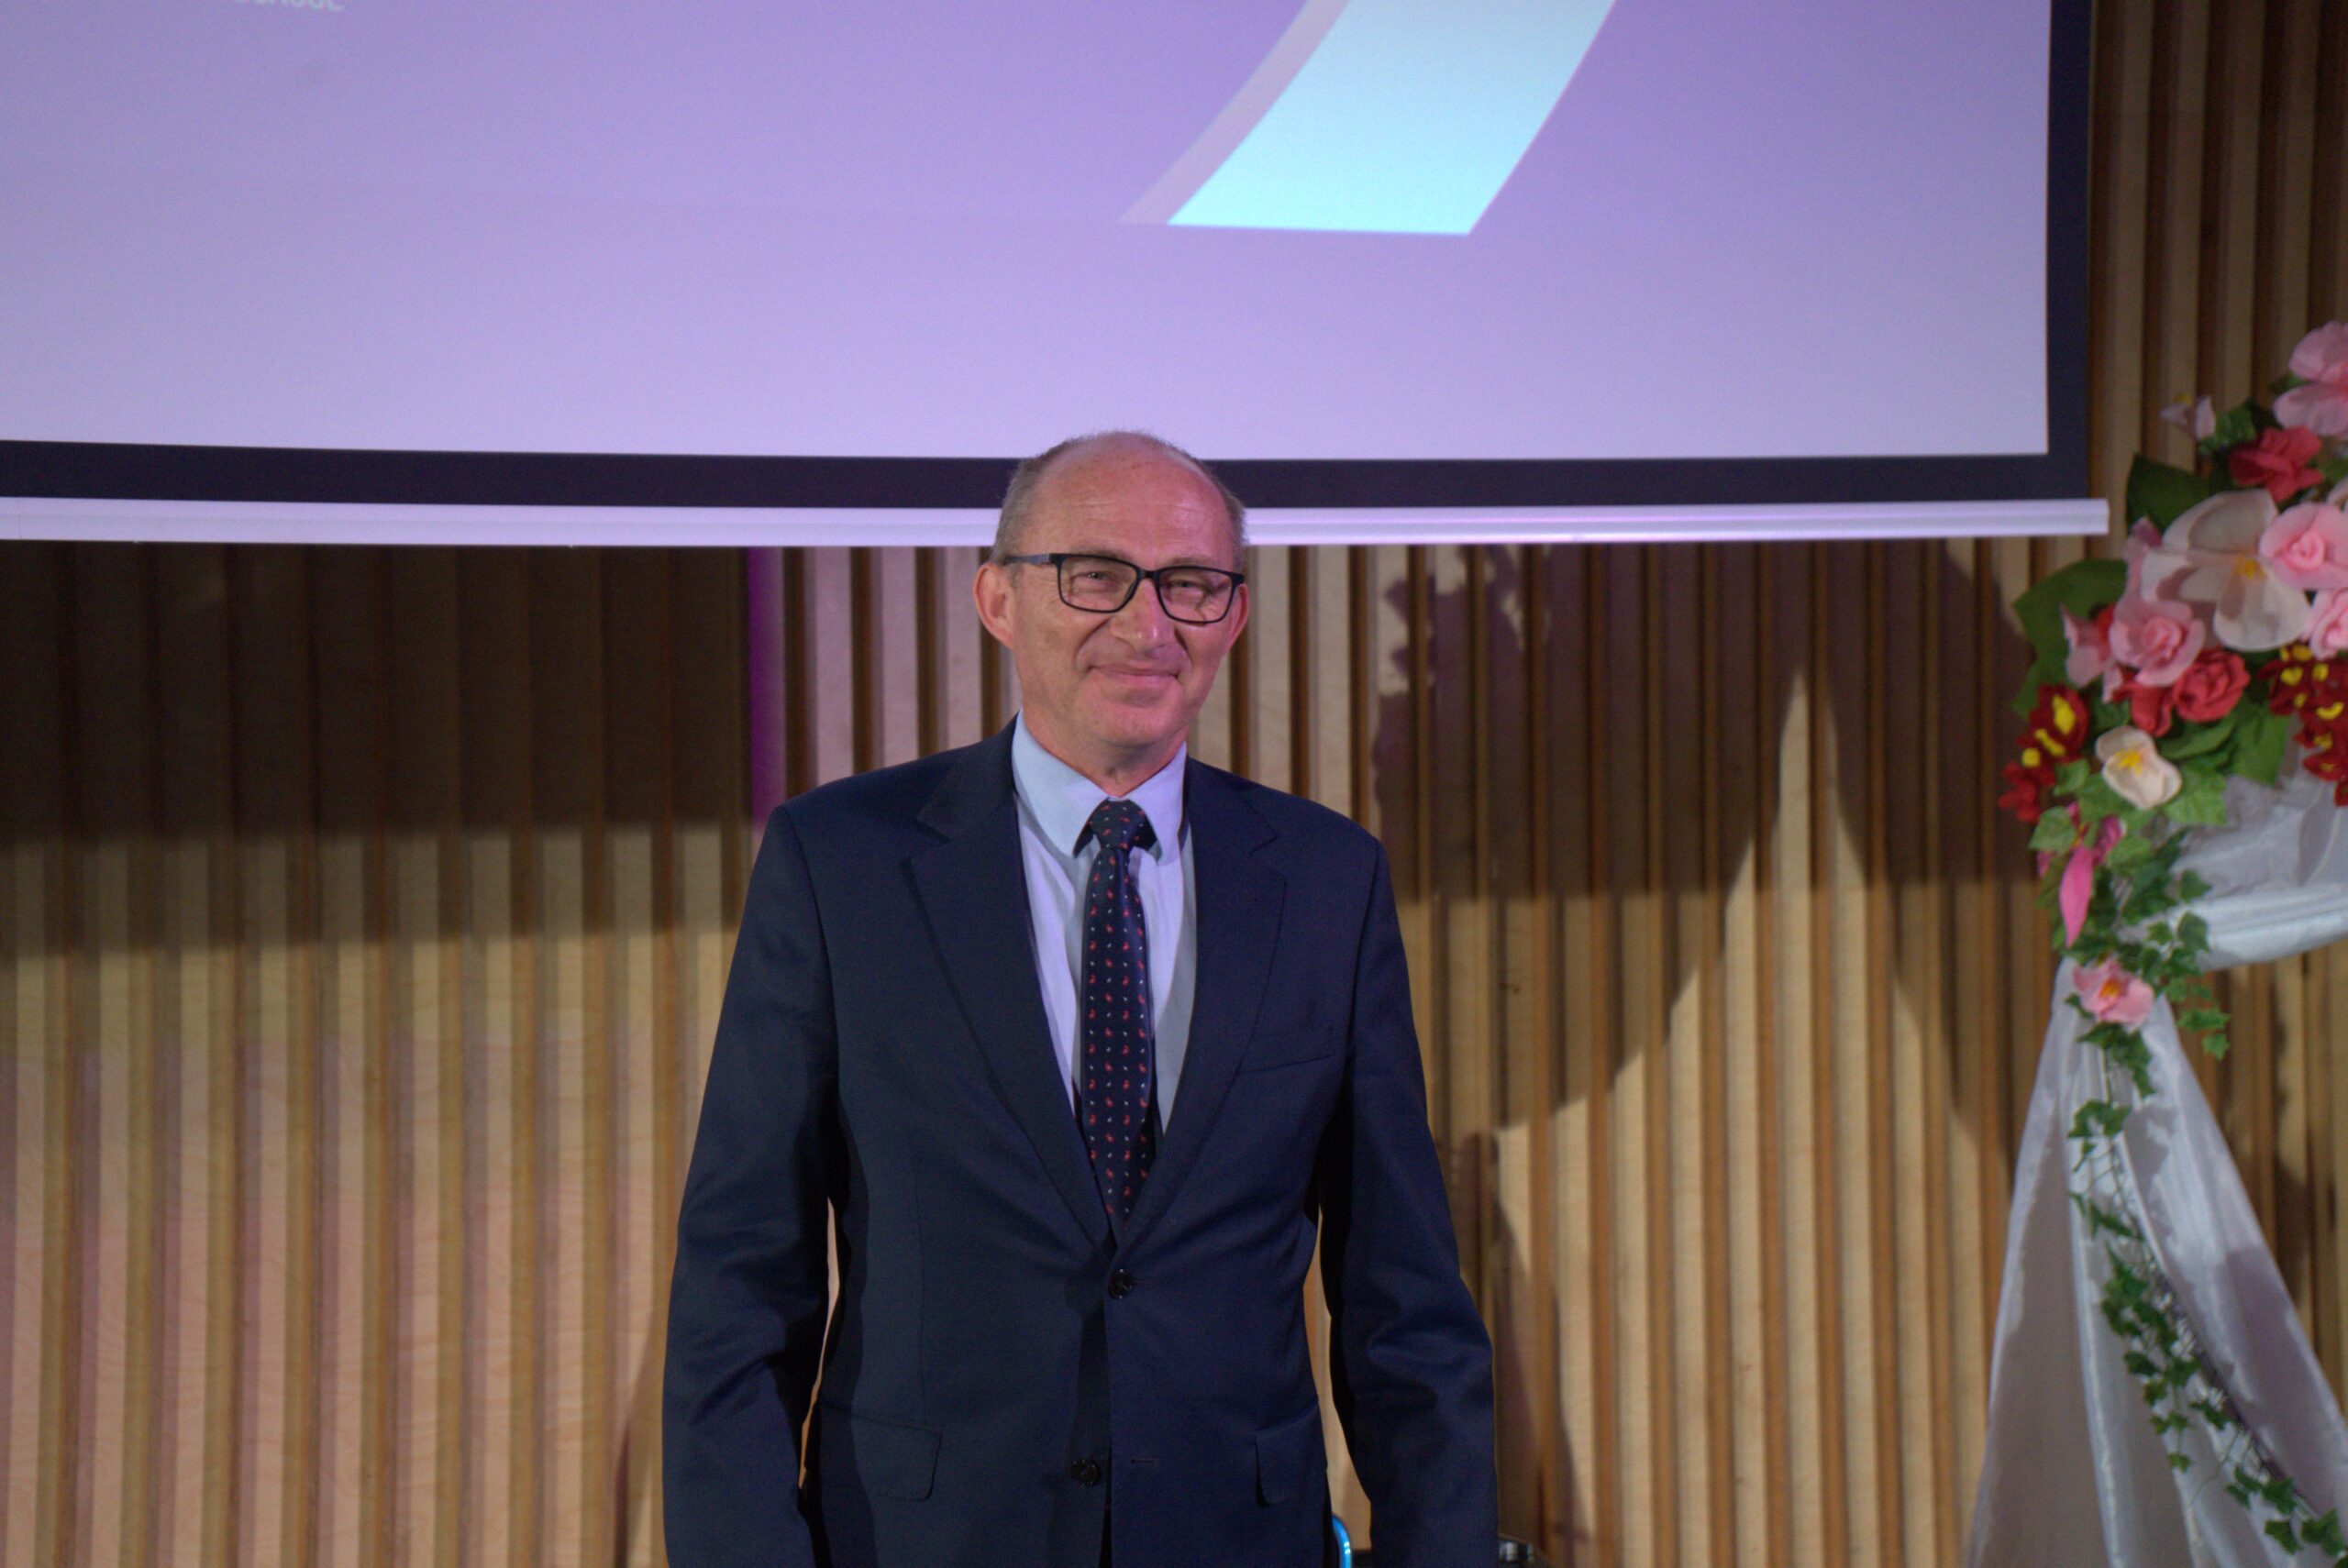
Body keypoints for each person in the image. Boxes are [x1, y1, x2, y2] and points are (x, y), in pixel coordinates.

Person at [662, 432, 1497, 1568]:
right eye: (1095, 576)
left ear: (1234, 617)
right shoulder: (840, 862)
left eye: (1191, 583)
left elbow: (1404, 1303)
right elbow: (741, 1284)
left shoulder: (1325, 880)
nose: (1148, 625)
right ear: (998, 599)